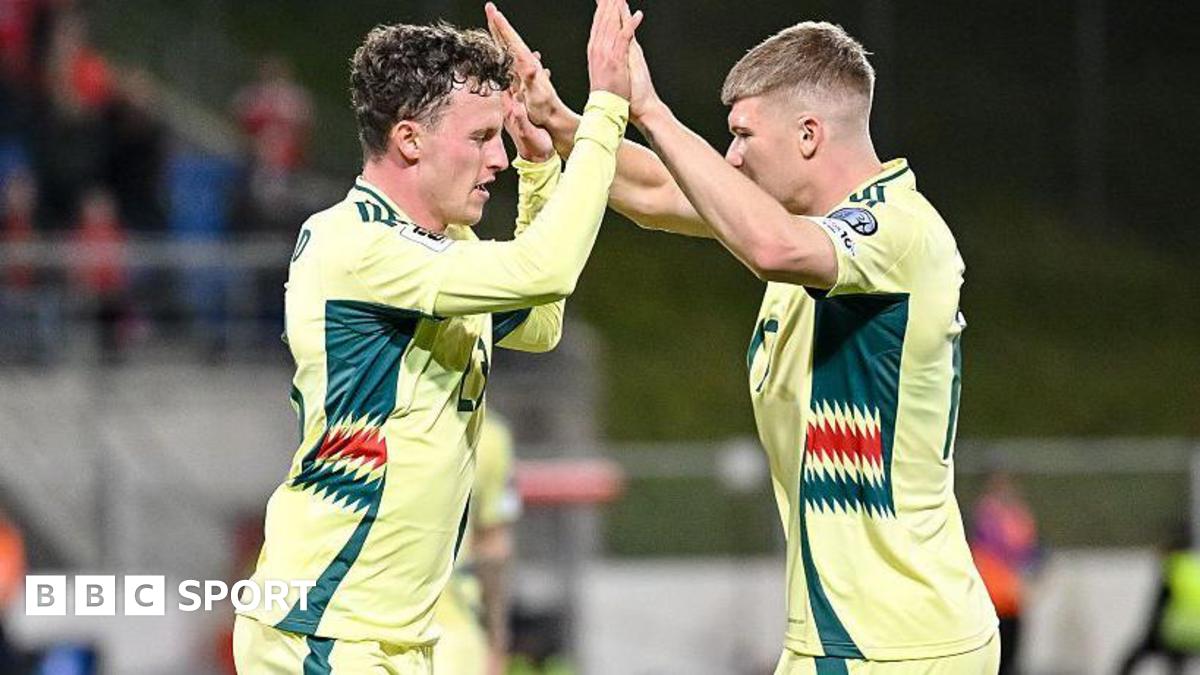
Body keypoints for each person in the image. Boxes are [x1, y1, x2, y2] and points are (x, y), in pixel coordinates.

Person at [488, 6, 998, 673]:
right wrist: (559, 121)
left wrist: (652, 112)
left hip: (903, 643)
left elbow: (769, 246)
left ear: (809, 134)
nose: (731, 156)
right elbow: (656, 189)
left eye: (742, 134)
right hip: (839, 638)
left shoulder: (895, 229)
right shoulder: (810, 229)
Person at [232, 3, 641, 673]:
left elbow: (540, 324)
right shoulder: (356, 243)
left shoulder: (443, 246)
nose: (498, 159)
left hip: (397, 634)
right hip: (325, 628)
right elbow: (546, 268)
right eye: (481, 137)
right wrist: (605, 113)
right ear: (410, 139)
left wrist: (542, 169)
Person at [433, 414, 523, 675]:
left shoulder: (348, 413)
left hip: (357, 628)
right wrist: (497, 642)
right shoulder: (486, 433)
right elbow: (492, 547)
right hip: (453, 630)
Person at [970, 471, 1040, 674]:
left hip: (1012, 598)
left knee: (1010, 659)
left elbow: (1029, 551)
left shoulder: (1018, 516)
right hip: (991, 597)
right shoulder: (986, 513)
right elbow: (999, 545)